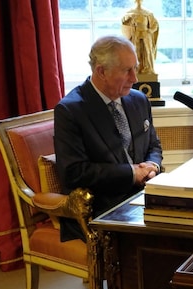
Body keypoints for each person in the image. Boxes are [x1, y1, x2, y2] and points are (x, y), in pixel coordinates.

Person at [54, 35, 163, 242]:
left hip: (145, 195)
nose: (135, 78)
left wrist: (152, 166)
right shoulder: (71, 110)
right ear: (101, 71)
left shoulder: (138, 100)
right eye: (126, 70)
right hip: (102, 206)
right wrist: (132, 173)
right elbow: (74, 172)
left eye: (135, 68)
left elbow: (154, 145)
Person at [121, 0, 159, 75]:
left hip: (146, 34)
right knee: (136, 51)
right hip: (136, 34)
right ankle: (136, 69)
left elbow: (155, 25)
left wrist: (150, 31)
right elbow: (125, 24)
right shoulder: (130, 13)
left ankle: (148, 68)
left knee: (147, 51)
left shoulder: (148, 13)